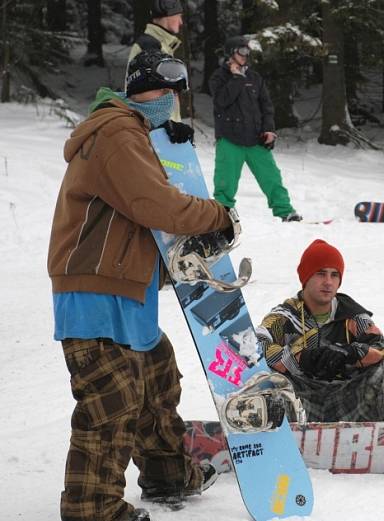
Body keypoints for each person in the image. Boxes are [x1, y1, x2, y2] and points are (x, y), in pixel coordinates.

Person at [48, 50, 232, 521]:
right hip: (94, 290)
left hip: (126, 288)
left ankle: (168, 473)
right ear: (135, 90)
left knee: (156, 377)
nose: (168, 101)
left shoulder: (136, 134)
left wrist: (167, 151)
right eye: (160, 91)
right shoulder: (116, 131)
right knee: (113, 397)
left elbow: (133, 217)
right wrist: (217, 215)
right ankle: (91, 507)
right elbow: (153, 204)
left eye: (174, 93)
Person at [256, 239, 384, 421]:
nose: (328, 282)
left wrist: (355, 353)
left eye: (334, 275)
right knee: (270, 382)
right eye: (321, 274)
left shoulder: (352, 315)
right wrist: (304, 358)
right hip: (301, 404)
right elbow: (256, 349)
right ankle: (264, 437)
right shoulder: (284, 317)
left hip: (347, 403)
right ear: (306, 278)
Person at [209, 35, 302, 222]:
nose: (246, 55)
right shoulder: (218, 77)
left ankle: (285, 211)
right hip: (230, 139)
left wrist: (269, 130)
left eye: (248, 51)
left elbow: (266, 107)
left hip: (255, 139)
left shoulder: (255, 78)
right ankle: (221, 215)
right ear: (230, 54)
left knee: (272, 177)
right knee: (225, 181)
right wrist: (236, 78)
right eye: (242, 51)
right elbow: (221, 102)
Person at [126, 0, 184, 122]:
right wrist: (170, 127)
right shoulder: (150, 47)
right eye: (178, 16)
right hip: (158, 129)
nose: (181, 22)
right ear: (168, 16)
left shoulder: (161, 44)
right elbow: (150, 98)